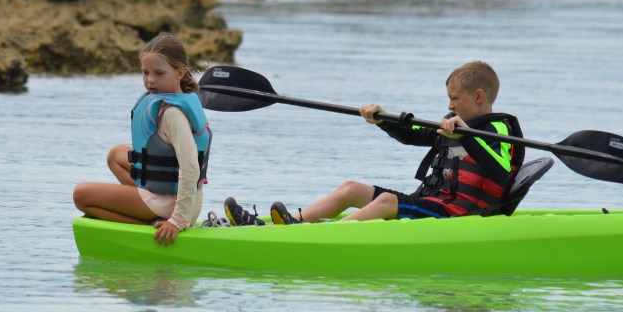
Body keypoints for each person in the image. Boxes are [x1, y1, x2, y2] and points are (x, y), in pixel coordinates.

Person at [223, 61, 523, 226]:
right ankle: (280, 226)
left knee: (388, 201)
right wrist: (383, 120)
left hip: (460, 213)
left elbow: (501, 173)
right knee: (351, 188)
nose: (449, 105)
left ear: (479, 97)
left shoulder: (499, 129)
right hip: (434, 202)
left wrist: (466, 136)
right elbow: (414, 135)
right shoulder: (452, 123)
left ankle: (317, 237)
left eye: (455, 99)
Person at [73, 34, 212, 246]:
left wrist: (178, 220)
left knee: (81, 195)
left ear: (180, 73)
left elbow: (191, 168)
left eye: (159, 73)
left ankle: (147, 223)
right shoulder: (167, 101)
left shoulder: (172, 114)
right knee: (116, 155)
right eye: (145, 72)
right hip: (173, 196)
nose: (150, 80)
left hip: (174, 204)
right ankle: (148, 208)